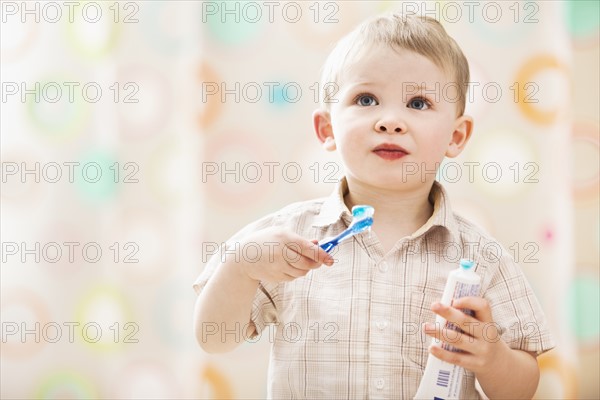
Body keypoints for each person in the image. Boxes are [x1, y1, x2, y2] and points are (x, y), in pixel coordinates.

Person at [193, 12, 555, 399]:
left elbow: (521, 389)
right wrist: (241, 266)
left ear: (456, 135)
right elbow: (214, 339)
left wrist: (493, 357)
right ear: (327, 129)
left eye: (418, 102)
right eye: (366, 99)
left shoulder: (481, 257)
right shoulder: (284, 239)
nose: (390, 121)